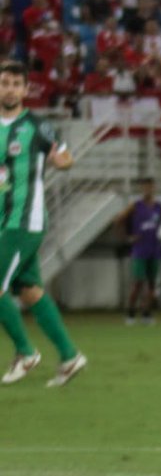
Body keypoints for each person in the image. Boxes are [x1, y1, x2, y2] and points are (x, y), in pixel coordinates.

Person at [0, 60, 87, 387]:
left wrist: (60, 160)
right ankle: (69, 356)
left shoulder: (37, 126)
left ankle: (25, 352)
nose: (9, 89)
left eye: (15, 84)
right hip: (4, 221)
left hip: (24, 221)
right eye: (4, 82)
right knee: (31, 290)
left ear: (24, 90)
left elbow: (64, 156)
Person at [115, 177, 161, 325]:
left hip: (155, 249)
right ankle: (131, 312)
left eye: (150, 187)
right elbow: (119, 220)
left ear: (154, 189)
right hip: (139, 250)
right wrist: (127, 238)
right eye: (145, 187)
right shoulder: (136, 206)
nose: (148, 190)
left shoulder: (160, 207)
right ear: (142, 189)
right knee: (138, 283)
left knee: (152, 284)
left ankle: (147, 313)